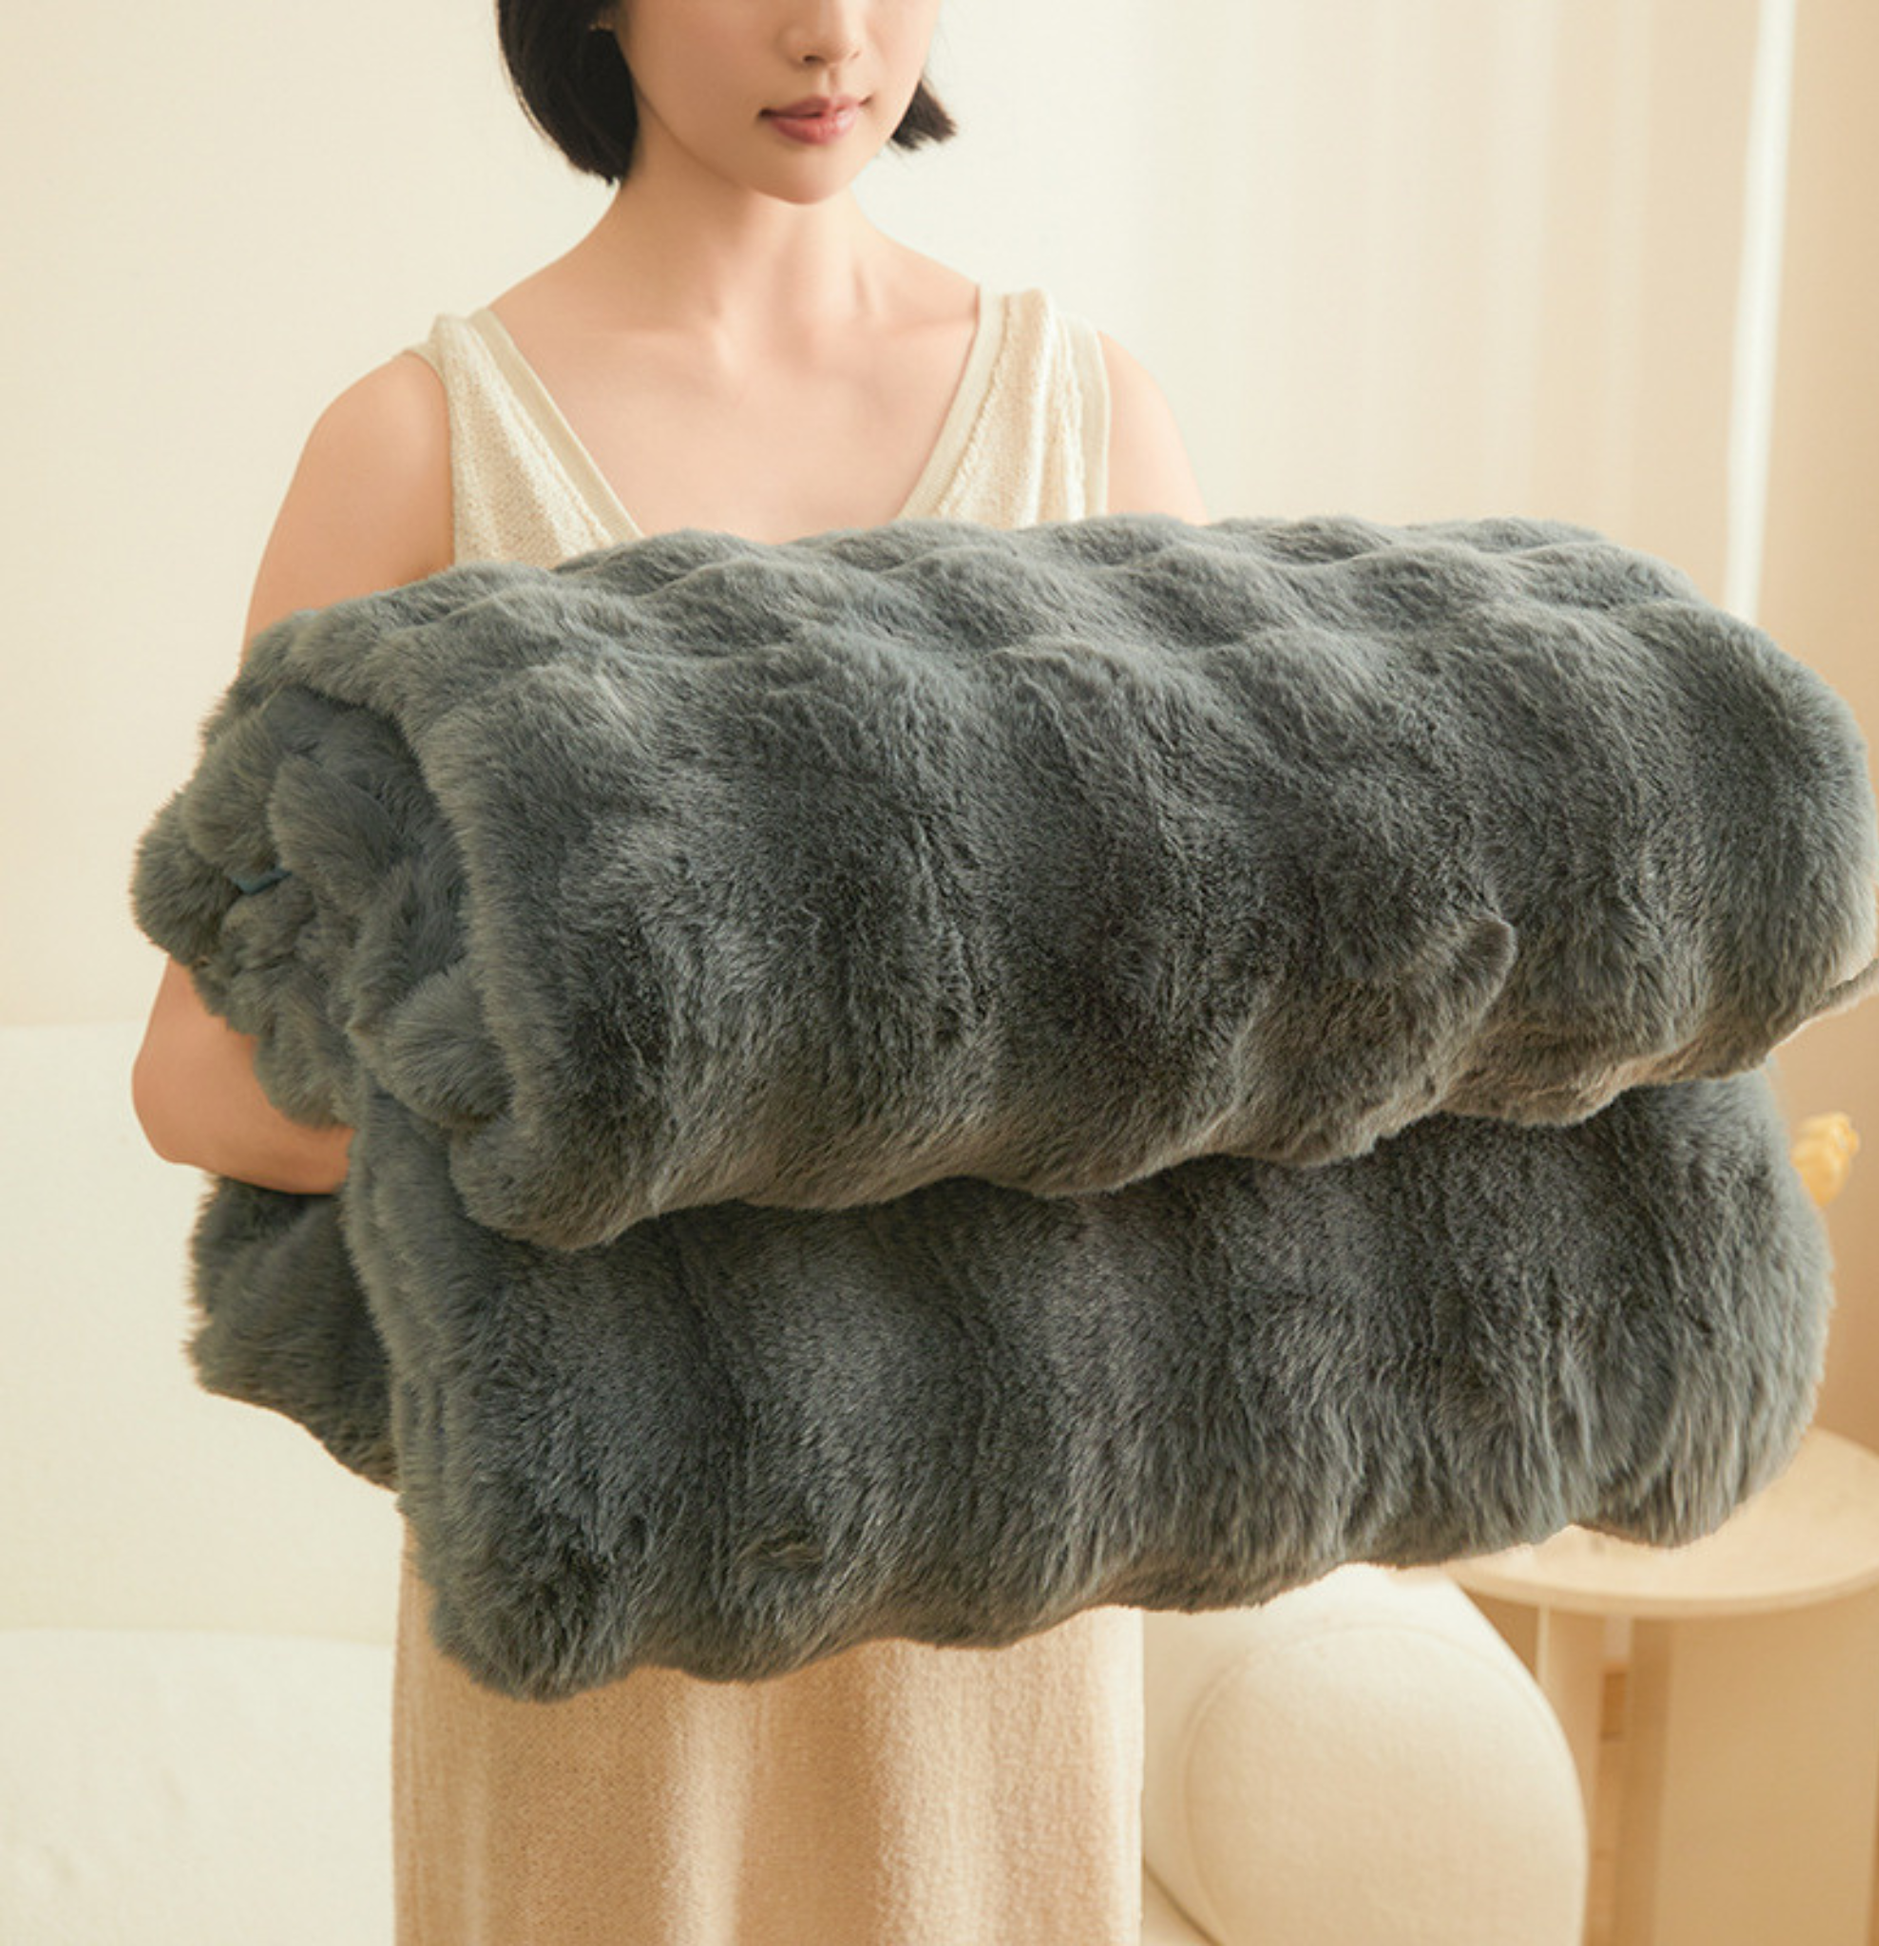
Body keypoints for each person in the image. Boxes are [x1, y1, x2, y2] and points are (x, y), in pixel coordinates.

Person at [132, 1, 1208, 1938]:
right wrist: (691, 1128)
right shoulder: (424, 448)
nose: (831, 32)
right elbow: (201, 1073)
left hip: (999, 1594)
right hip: (598, 1598)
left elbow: (1213, 1018)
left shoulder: (1083, 417)